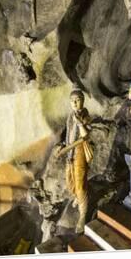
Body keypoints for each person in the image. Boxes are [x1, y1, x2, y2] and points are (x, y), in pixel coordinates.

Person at [55, 89, 93, 233]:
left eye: (77, 100)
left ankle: (83, 215)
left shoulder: (85, 115)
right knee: (69, 180)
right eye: (72, 100)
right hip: (70, 152)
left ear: (83, 100)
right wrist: (63, 146)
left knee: (80, 183)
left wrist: (79, 123)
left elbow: (85, 136)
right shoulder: (70, 115)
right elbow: (68, 135)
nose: (75, 103)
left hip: (80, 152)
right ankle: (76, 195)